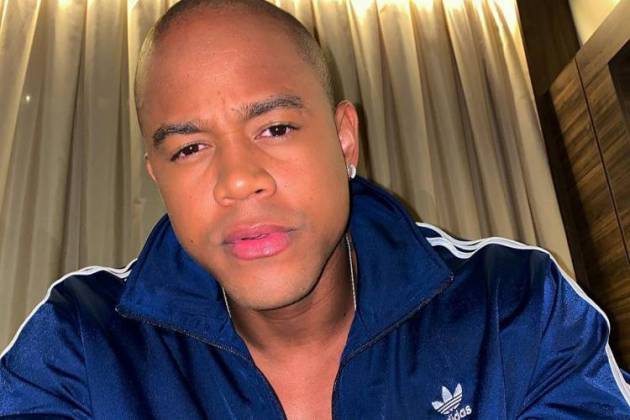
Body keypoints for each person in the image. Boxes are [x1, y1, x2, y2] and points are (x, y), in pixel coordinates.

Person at [1, 0, 629, 418]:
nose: (238, 180)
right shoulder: (79, 343)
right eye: (189, 148)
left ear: (344, 139)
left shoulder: (513, 306)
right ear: (158, 176)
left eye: (275, 128)